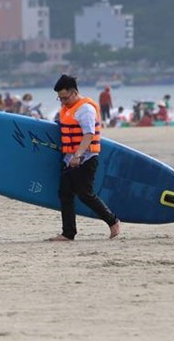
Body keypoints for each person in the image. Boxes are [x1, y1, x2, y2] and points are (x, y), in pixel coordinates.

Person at [48, 75, 121, 242]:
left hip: (85, 158)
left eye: (65, 98)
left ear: (74, 92)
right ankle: (68, 233)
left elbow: (89, 134)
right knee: (64, 194)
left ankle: (113, 221)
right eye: (60, 98)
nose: (63, 101)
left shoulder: (85, 109)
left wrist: (77, 155)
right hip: (69, 159)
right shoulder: (67, 109)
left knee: (85, 194)